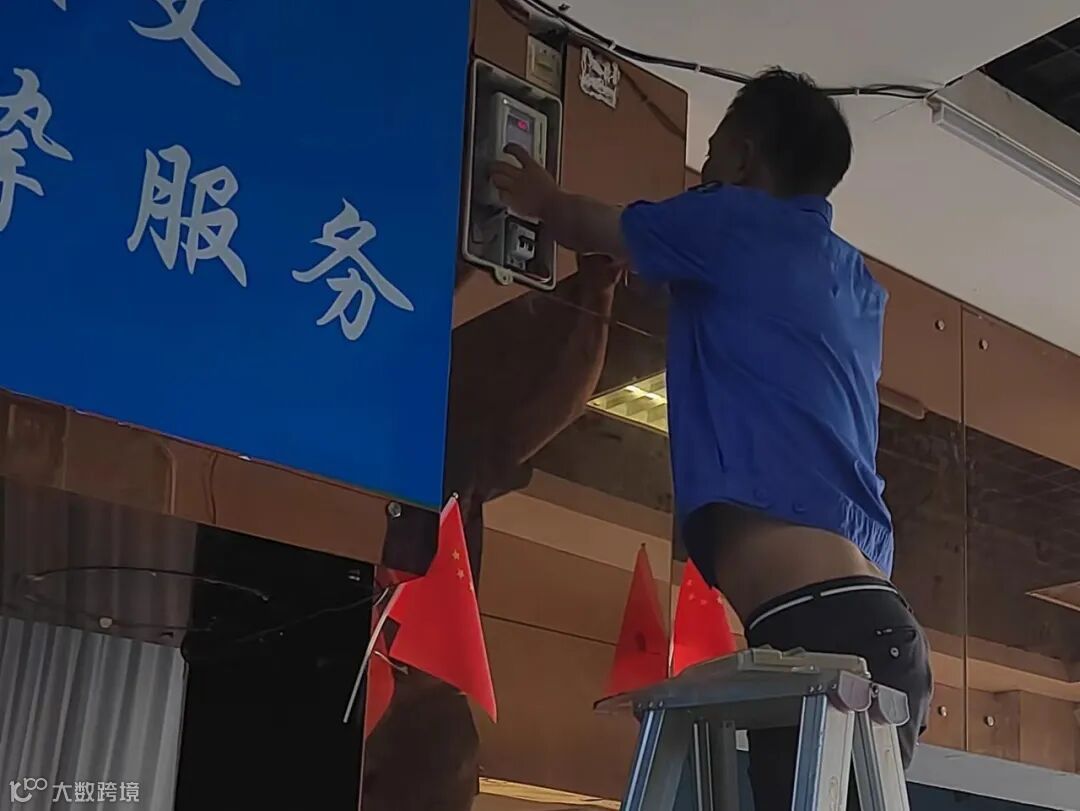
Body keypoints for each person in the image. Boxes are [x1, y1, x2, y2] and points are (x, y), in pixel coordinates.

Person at [492, 67, 932, 809]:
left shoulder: (730, 219)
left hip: (819, 630)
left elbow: (594, 225)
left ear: (742, 158)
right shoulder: (851, 280)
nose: (701, 170)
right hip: (876, 626)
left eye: (710, 153)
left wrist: (539, 198)